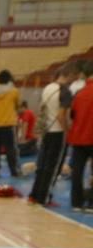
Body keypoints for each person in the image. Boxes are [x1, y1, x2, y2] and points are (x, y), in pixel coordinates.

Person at [28, 63, 74, 207]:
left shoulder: (48, 88)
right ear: (68, 75)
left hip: (46, 130)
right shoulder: (65, 91)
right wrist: (68, 130)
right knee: (52, 167)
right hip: (57, 132)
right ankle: (44, 197)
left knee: (41, 164)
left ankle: (34, 195)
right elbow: (61, 115)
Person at [66, 78, 93, 213]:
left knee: (77, 172)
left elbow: (72, 115)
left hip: (78, 138)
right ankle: (91, 205)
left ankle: (76, 202)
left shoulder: (79, 93)